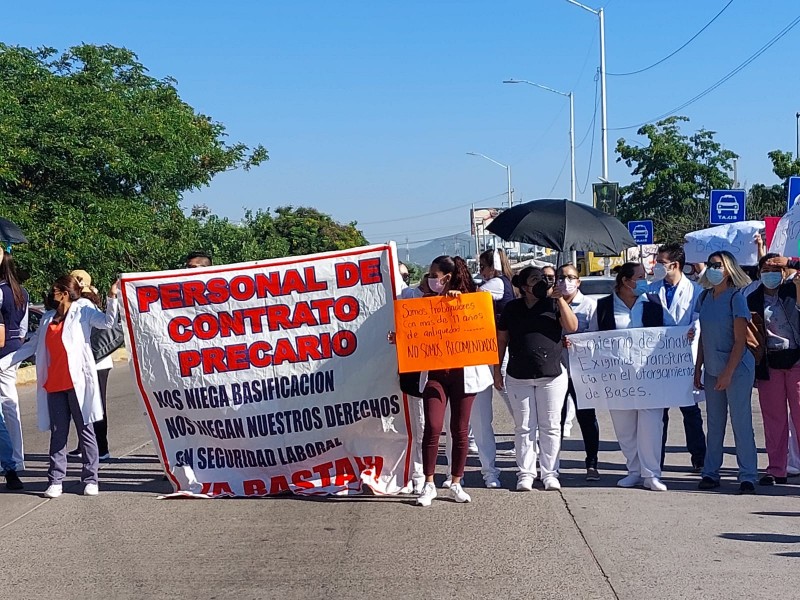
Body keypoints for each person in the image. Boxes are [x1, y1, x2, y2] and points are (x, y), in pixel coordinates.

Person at [0, 275, 119, 498]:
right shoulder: (46, 318)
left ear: (64, 293)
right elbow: (30, 347)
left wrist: (112, 297)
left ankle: (91, 478)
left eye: (54, 290)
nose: (50, 293)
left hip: (78, 383)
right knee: (58, 433)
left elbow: (108, 323)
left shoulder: (83, 311)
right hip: (54, 384)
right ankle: (56, 480)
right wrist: (3, 364)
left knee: (86, 431)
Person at [415, 256, 494, 506]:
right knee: (433, 426)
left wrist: (461, 305)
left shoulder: (473, 299)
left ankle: (456, 482)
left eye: (434, 276)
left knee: (460, 430)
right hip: (435, 374)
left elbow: (485, 326)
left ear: (447, 277)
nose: (430, 280)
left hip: (464, 374)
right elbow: (414, 329)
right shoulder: (425, 301)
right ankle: (428, 484)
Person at [587, 262, 669, 491]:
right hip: (618, 379)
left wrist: (686, 334)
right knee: (624, 428)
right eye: (640, 277)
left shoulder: (653, 303)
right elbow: (593, 336)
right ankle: (634, 470)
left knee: (652, 425)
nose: (645, 281)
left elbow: (671, 330)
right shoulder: (604, 306)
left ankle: (651, 474)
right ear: (625, 280)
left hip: (650, 377)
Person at [495, 266, 578, 491]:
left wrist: (560, 301)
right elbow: (502, 340)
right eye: (535, 279)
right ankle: (526, 473)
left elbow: (572, 326)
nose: (542, 282)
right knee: (524, 427)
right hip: (518, 375)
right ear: (523, 286)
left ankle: (550, 472)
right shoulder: (512, 308)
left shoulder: (553, 304)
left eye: (544, 278)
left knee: (550, 426)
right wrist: (496, 370)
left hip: (551, 376)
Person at [694, 251, 758, 494]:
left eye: (718, 265)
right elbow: (703, 336)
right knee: (715, 422)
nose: (713, 268)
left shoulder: (736, 298)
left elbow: (740, 342)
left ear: (729, 268)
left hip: (736, 368)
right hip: (712, 367)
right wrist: (697, 368)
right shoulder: (705, 297)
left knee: (741, 423)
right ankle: (710, 472)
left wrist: (728, 373)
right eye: (710, 264)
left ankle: (748, 475)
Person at [646, 243, 706, 472]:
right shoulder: (650, 290)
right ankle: (655, 460)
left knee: (690, 411)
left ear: (675, 265)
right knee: (659, 414)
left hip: (684, 359)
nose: (657, 266)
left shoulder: (696, 291)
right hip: (657, 359)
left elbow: (699, 319)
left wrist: (693, 329)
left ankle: (699, 457)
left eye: (661, 263)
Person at [745, 253, 800, 485]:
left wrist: (789, 262)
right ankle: (776, 469)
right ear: (759, 274)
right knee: (774, 420)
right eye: (766, 270)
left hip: (797, 362)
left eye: (775, 269)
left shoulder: (792, 291)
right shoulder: (752, 298)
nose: (771, 274)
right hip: (770, 365)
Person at [556, 263, 600, 481]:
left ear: (578, 281)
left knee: (587, 418)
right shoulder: (552, 303)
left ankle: (592, 463)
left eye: (571, 277)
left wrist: (575, 342)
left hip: (582, 371)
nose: (566, 282)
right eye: (562, 277)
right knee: (556, 418)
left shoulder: (590, 306)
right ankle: (551, 464)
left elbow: (596, 338)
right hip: (557, 370)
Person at [67, 269, 116, 462]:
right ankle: (86, 445)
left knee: (96, 404)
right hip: (96, 361)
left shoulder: (83, 304)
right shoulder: (88, 301)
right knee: (85, 404)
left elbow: (106, 324)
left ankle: (101, 448)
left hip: (96, 362)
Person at [0, 247, 29, 471]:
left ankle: (13, 459)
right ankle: (16, 458)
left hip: (2, 351)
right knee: (11, 406)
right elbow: (23, 329)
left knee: (7, 406)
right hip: (15, 348)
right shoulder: (22, 292)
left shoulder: (0, 291)